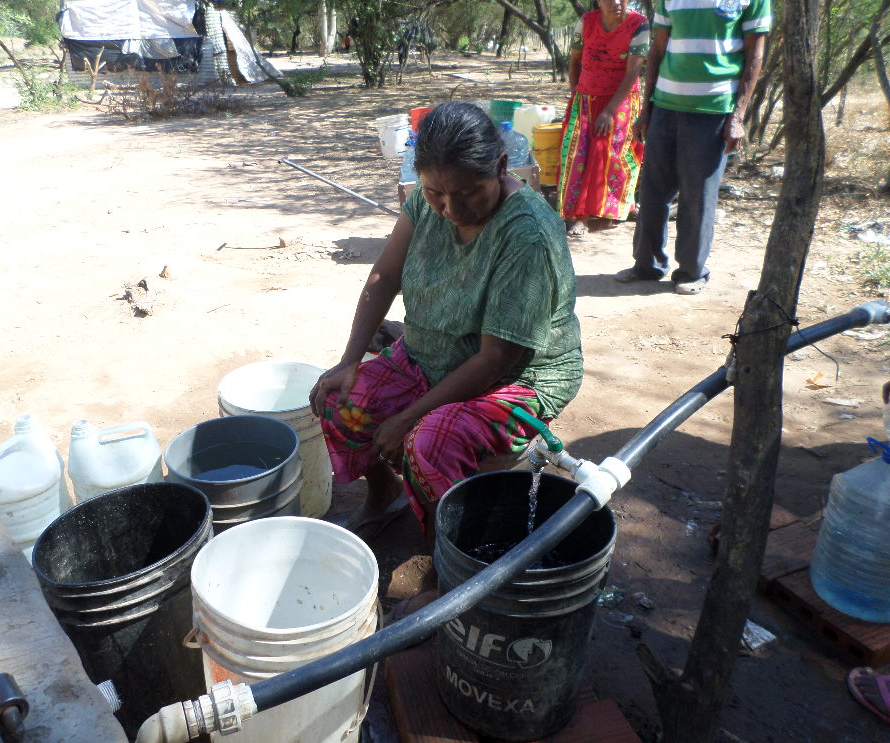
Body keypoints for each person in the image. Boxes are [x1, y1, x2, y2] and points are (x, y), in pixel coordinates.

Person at [310, 102, 583, 548]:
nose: (450, 208)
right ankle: (386, 496)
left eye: (468, 193)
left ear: (499, 167)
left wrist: (408, 418)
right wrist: (349, 361)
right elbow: (384, 277)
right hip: (430, 350)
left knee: (429, 443)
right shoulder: (426, 200)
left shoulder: (527, 235)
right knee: (338, 399)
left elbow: (496, 359)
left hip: (521, 376)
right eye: (436, 193)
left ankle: (447, 560)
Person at [614, 0, 770, 294]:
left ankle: (691, 271)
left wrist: (737, 116)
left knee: (698, 195)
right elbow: (658, 50)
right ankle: (647, 265)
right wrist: (646, 109)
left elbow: (755, 55)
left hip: (713, 109)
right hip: (665, 106)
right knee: (652, 190)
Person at [558, 0, 649, 238]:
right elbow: (575, 62)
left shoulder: (639, 25)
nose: (616, 3)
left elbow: (633, 72)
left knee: (610, 153)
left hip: (619, 102)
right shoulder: (586, 22)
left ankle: (613, 207)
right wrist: (576, 97)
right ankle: (580, 216)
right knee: (579, 153)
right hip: (585, 98)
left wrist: (609, 111)